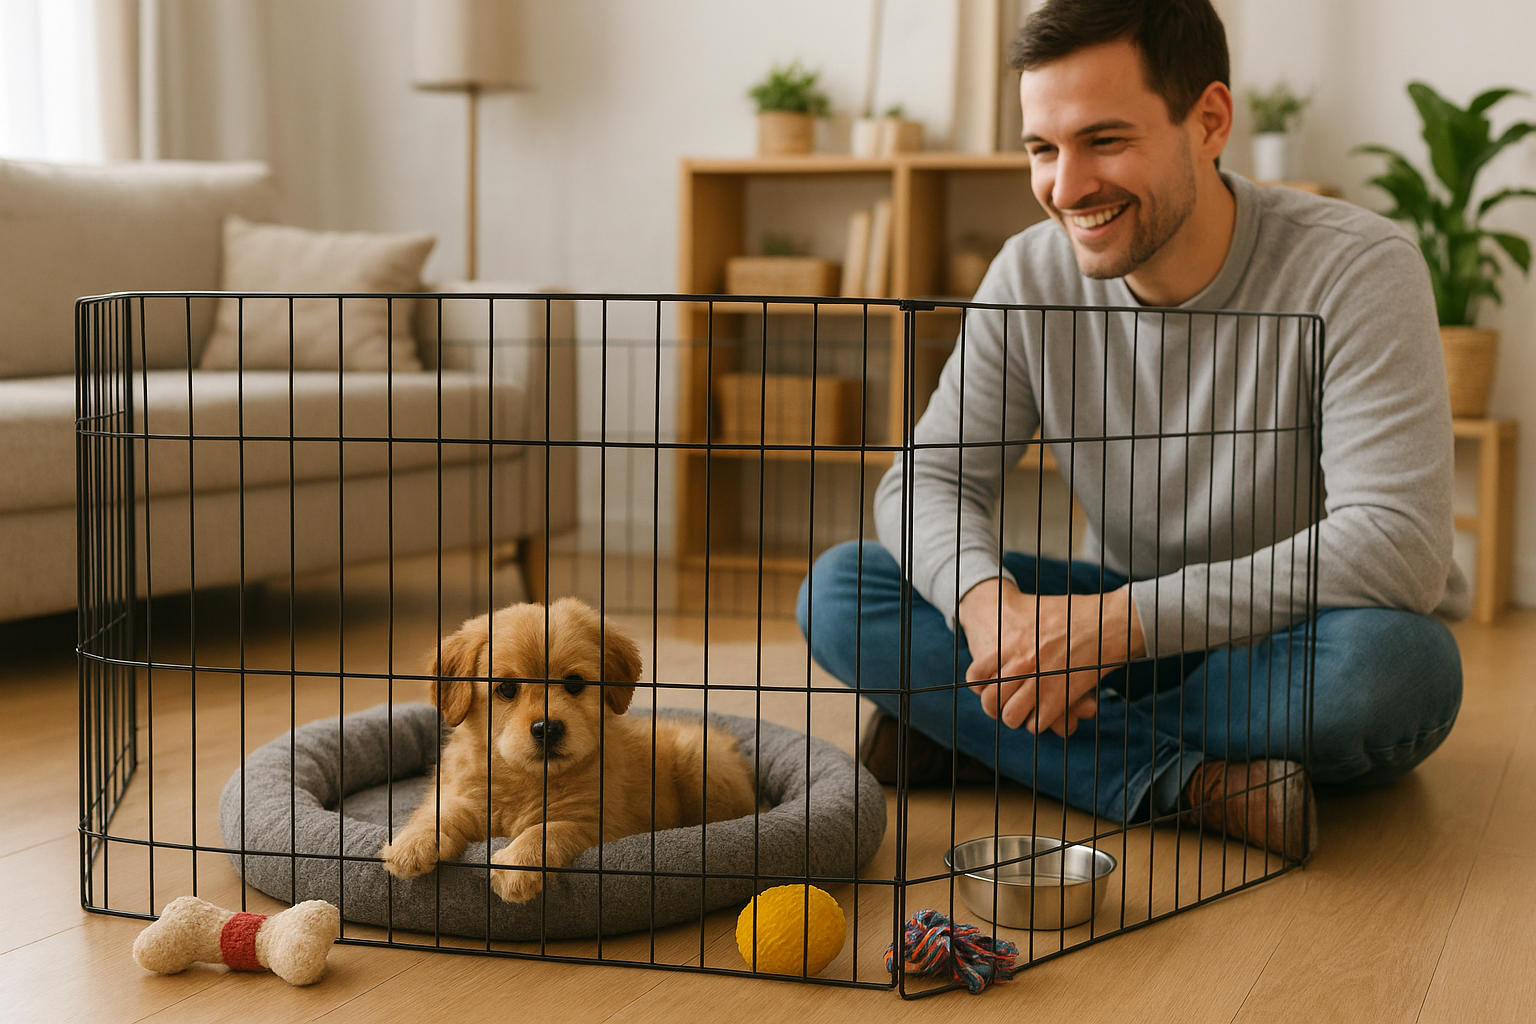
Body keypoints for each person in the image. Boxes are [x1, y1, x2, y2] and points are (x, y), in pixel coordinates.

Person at [797, 0, 1466, 860]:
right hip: (1116, 622)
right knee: (844, 588)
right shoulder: (1029, 274)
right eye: (1043, 149)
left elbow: (1399, 544)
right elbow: (929, 479)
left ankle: (984, 731)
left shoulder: (1358, 267)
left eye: (1104, 140)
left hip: (1285, 634)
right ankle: (1184, 783)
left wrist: (1112, 628)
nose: (1066, 188)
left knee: (1396, 669)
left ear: (1209, 121)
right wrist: (989, 610)